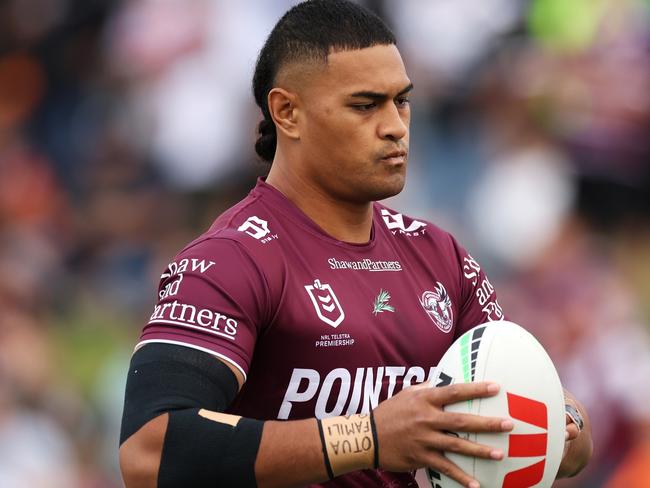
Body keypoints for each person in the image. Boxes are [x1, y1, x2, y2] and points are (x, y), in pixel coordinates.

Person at [118, 1, 592, 487]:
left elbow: (555, 422)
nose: (395, 126)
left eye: (401, 101)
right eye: (364, 105)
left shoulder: (439, 256)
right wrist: (366, 438)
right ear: (287, 112)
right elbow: (148, 450)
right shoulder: (230, 261)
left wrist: (562, 423)